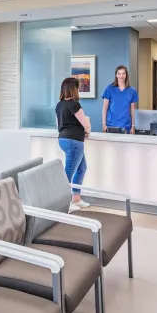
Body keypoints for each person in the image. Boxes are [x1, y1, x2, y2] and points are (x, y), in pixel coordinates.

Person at [56, 77, 91, 212]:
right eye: (77, 88)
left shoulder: (59, 105)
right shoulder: (74, 104)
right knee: (68, 173)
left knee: (82, 168)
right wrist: (86, 131)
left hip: (63, 140)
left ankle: (76, 198)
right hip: (74, 142)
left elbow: (58, 125)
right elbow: (86, 124)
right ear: (73, 89)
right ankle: (64, 203)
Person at [101, 65, 139, 134]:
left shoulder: (132, 91)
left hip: (126, 125)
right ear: (116, 75)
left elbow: (132, 110)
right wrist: (104, 124)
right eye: (119, 74)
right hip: (111, 125)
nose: (121, 76)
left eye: (123, 73)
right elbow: (105, 107)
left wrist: (133, 126)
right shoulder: (110, 88)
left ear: (126, 75)